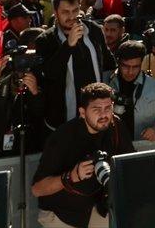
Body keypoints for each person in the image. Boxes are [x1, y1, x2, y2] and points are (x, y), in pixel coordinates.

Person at [31, 82, 134, 228]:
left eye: (108, 108)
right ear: (82, 112)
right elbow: (37, 189)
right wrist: (71, 177)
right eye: (96, 109)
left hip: (98, 207)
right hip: (61, 213)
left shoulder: (116, 126)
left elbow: (131, 164)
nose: (104, 115)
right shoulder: (63, 137)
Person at [33, 0, 116, 132]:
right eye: (65, 12)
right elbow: (49, 74)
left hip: (96, 115)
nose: (71, 16)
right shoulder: (45, 40)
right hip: (63, 118)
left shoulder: (94, 30)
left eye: (75, 10)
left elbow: (108, 62)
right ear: (55, 12)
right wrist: (68, 46)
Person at [107, 41, 155, 144]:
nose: (130, 72)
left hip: (142, 145)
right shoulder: (106, 82)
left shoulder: (154, 86)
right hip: (113, 144)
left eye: (135, 67)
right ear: (118, 62)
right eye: (125, 66)